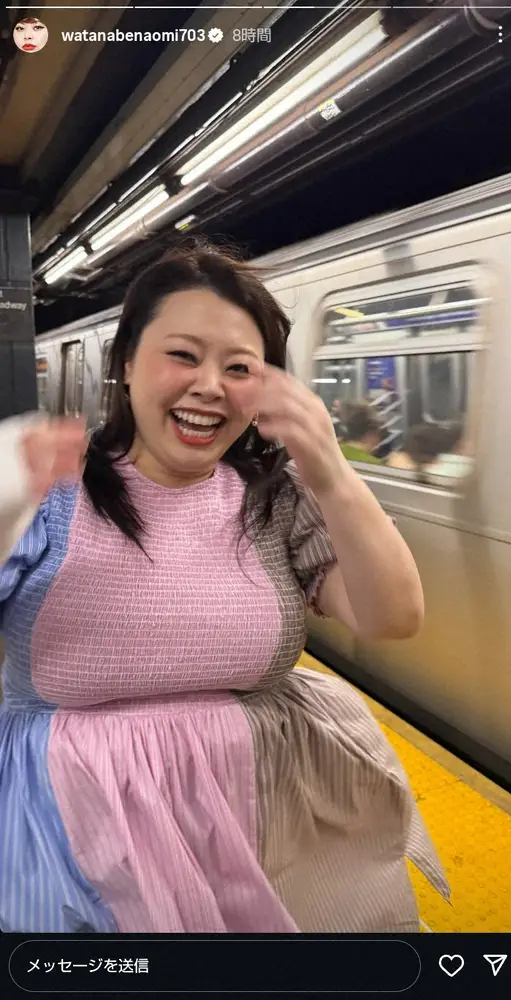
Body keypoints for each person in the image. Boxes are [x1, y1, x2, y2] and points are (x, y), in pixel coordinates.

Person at [0, 243, 449, 934]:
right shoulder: (54, 489)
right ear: (126, 362)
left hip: (262, 811)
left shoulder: (276, 499)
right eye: (183, 355)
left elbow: (392, 616)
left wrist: (331, 472)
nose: (210, 385)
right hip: (74, 824)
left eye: (239, 368)